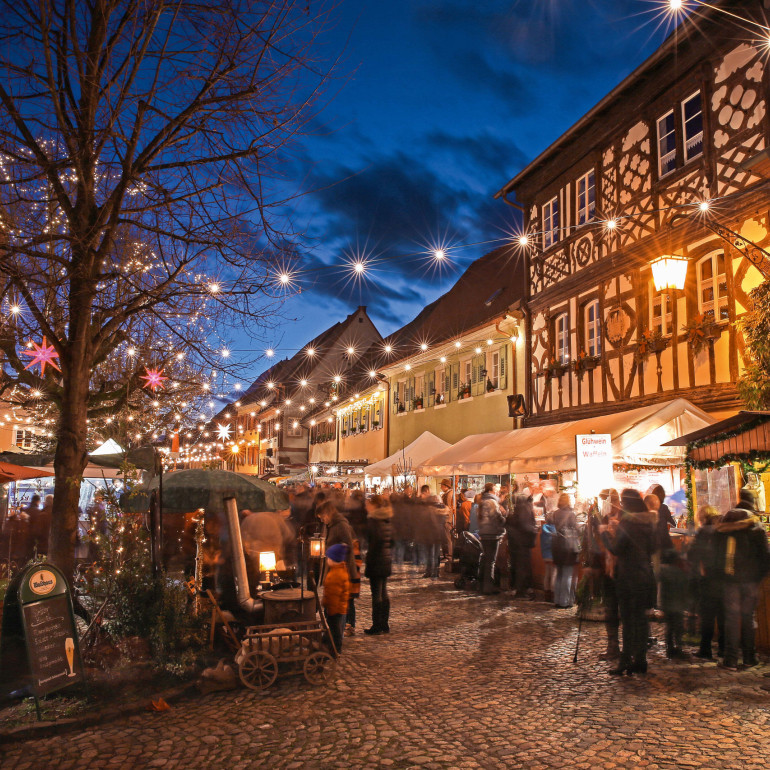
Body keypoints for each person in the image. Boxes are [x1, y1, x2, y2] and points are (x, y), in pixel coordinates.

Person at [601, 488, 657, 675]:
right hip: (645, 575)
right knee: (641, 619)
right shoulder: (649, 523)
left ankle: (625, 660)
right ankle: (640, 660)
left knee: (627, 620)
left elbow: (616, 549)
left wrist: (604, 535)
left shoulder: (628, 524)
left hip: (628, 577)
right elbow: (652, 549)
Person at [712, 490, 770, 670]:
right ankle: (749, 657)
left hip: (729, 579)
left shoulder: (724, 524)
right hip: (750, 580)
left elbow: (715, 553)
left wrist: (720, 575)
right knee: (748, 617)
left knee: (731, 618)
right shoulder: (756, 526)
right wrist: (759, 577)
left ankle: (730, 659)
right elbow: (764, 555)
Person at [687, 505, 724, 660]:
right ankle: (723, 649)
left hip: (708, 578)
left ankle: (705, 649)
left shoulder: (703, 532)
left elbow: (693, 554)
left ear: (702, 517)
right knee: (723, 615)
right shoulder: (722, 529)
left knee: (707, 616)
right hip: (724, 578)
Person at [364, 494, 393, 635]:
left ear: (374, 505)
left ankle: (377, 625)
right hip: (386, 559)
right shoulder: (387, 519)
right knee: (383, 592)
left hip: (376, 561)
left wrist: (369, 558)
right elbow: (392, 541)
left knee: (376, 594)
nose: (366, 506)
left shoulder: (374, 521)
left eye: (368, 504)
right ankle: (384, 624)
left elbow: (373, 542)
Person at [317, 500, 356, 589]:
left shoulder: (341, 525)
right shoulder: (328, 525)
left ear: (329, 513)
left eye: (322, 517)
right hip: (332, 570)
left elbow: (348, 546)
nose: (322, 520)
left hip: (342, 571)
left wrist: (333, 552)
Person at [659, 548, 690, 660]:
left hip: (667, 605)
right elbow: (684, 588)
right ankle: (678, 647)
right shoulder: (680, 572)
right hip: (678, 605)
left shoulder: (663, 572)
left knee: (669, 627)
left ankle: (670, 648)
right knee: (678, 627)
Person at [506, 494, 537, 599]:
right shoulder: (525, 509)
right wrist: (534, 530)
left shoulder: (516, 511)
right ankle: (521, 591)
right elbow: (526, 526)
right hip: (523, 543)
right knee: (522, 567)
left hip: (514, 544)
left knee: (516, 566)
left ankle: (517, 588)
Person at [551, 493, 579, 609]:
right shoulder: (571, 514)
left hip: (557, 546)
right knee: (567, 574)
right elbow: (576, 529)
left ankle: (557, 600)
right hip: (568, 546)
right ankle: (565, 601)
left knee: (559, 574)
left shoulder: (555, 513)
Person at [322, 543, 350, 654]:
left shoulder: (335, 575)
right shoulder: (339, 570)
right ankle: (328, 645)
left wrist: (330, 609)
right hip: (339, 608)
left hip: (335, 610)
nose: (327, 560)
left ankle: (335, 650)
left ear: (333, 559)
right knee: (334, 630)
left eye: (328, 557)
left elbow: (334, 595)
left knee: (335, 631)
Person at [477, 483, 504, 594]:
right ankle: (488, 587)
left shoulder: (482, 502)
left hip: (484, 533)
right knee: (491, 561)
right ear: (492, 491)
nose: (498, 492)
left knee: (485, 559)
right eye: (496, 490)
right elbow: (496, 518)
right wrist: (504, 515)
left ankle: (481, 585)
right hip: (492, 534)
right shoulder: (492, 502)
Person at [345, 537, 363, 637]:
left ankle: (350, 626)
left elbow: (356, 564)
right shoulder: (352, 546)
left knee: (349, 604)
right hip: (351, 579)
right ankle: (349, 625)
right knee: (348, 603)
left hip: (351, 580)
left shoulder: (353, 547)